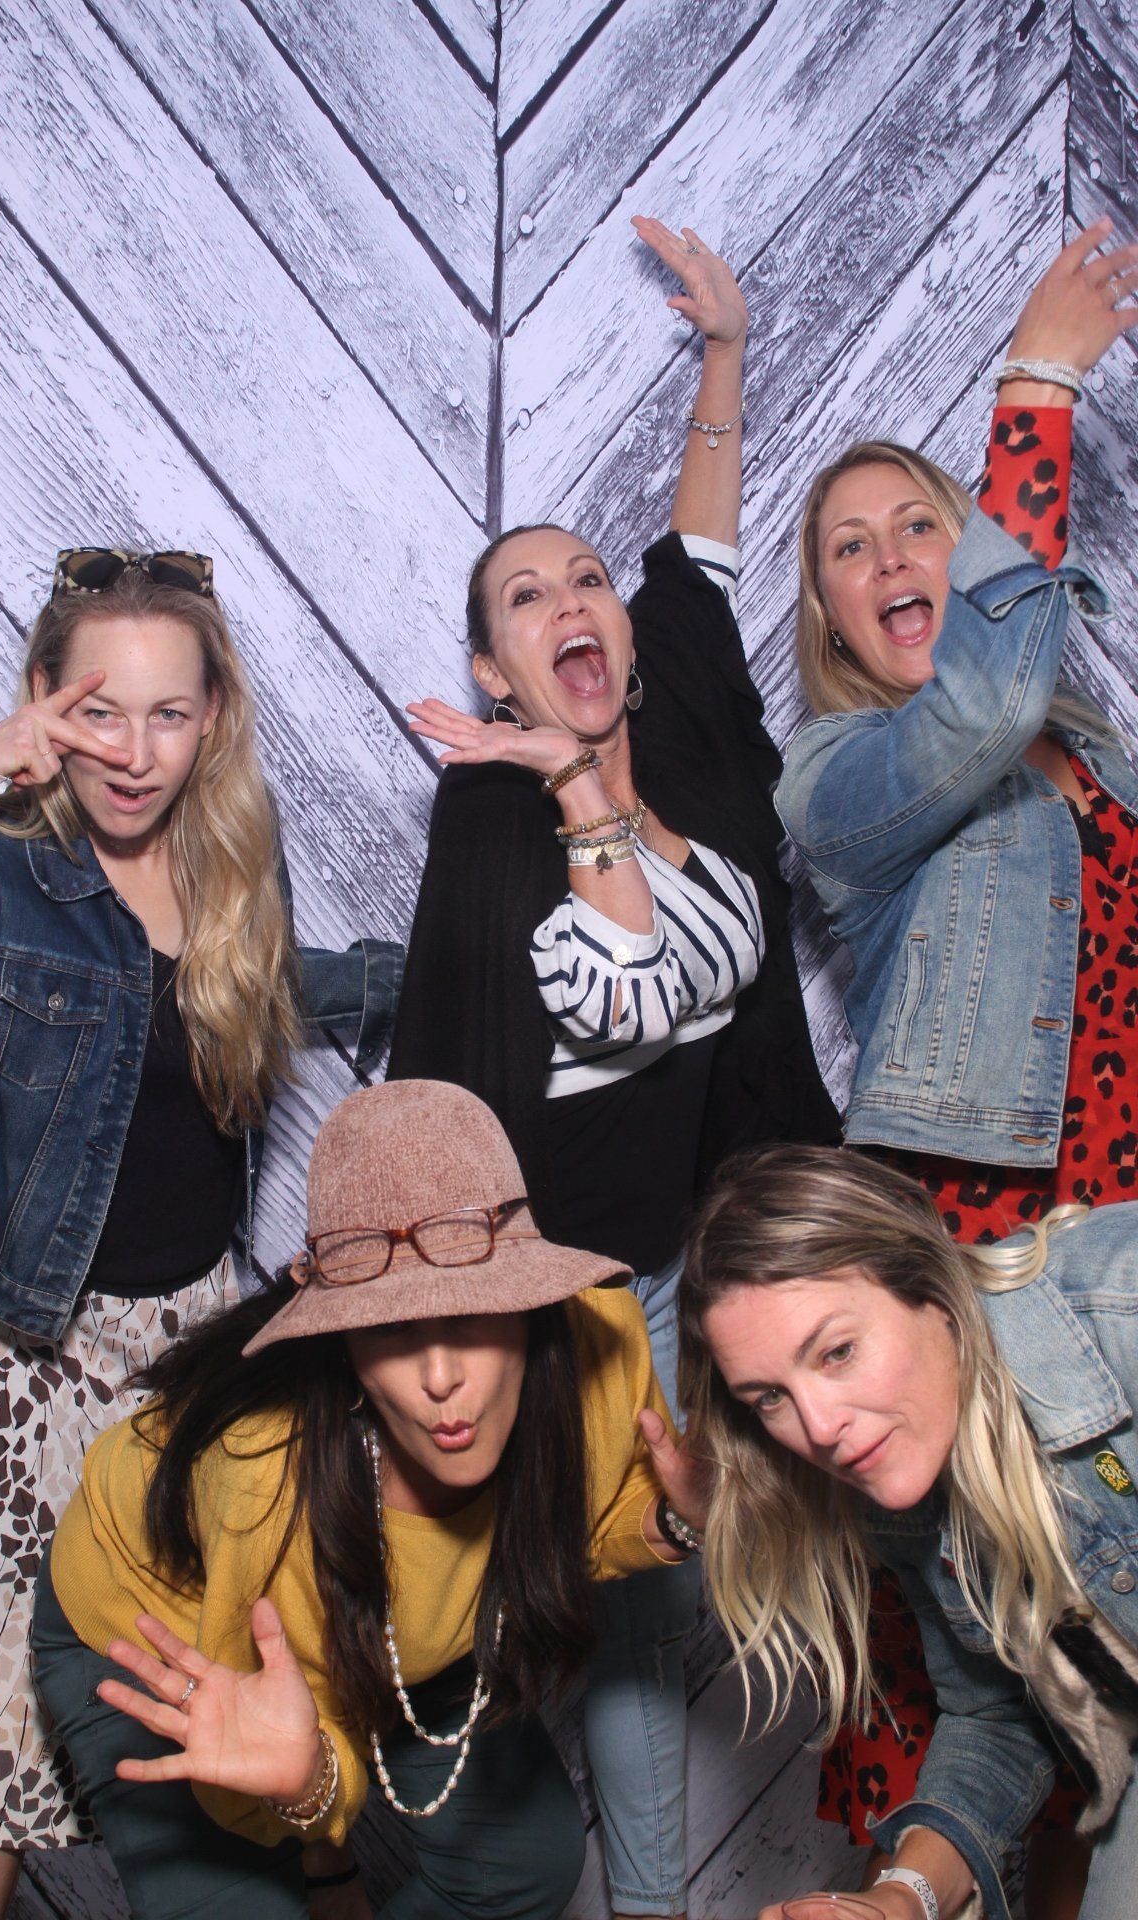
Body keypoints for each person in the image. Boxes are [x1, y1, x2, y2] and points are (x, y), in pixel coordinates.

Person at [390, 218, 838, 1920]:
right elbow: (628, 997)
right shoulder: (497, 819)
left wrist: (726, 347)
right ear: (490, 670)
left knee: (695, 1604)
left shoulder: (693, 716)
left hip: (694, 1261)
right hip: (547, 1290)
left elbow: (694, 554)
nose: (571, 603)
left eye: (585, 581)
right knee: (563, 1622)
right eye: (526, 598)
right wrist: (568, 784)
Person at [0, 547, 400, 1920]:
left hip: (184, 1340)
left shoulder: (235, 871)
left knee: (219, 1667)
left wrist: (437, 966)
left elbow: (260, 1003)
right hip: (10, 1337)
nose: (133, 751)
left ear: (212, 718)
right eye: (98, 710)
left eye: (168, 713)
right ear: (44, 700)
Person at [773, 221, 1138, 1908]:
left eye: (920, 521)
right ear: (836, 617)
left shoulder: (1097, 751)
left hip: (1127, 1233)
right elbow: (982, 707)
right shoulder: (840, 781)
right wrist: (1037, 384)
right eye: (852, 549)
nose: (893, 555)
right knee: (1030, 1698)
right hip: (989, 1268)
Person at [31, 1076, 707, 1920]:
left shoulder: (600, 1342)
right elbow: (275, 1723)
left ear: (531, 1303)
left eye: (472, 1313)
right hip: (162, 1635)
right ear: (342, 1343)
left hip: (374, 1633)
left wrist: (681, 1516)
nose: (440, 1379)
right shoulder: (263, 1479)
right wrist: (313, 1792)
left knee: (524, 1861)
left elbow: (591, 1515)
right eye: (391, 1328)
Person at [677, 1141, 1138, 1920]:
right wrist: (901, 1896)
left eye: (838, 1351)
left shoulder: (1122, 1305)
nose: (819, 1428)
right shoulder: (894, 1477)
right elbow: (1001, 1715)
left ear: (932, 1288)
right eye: (768, 1398)